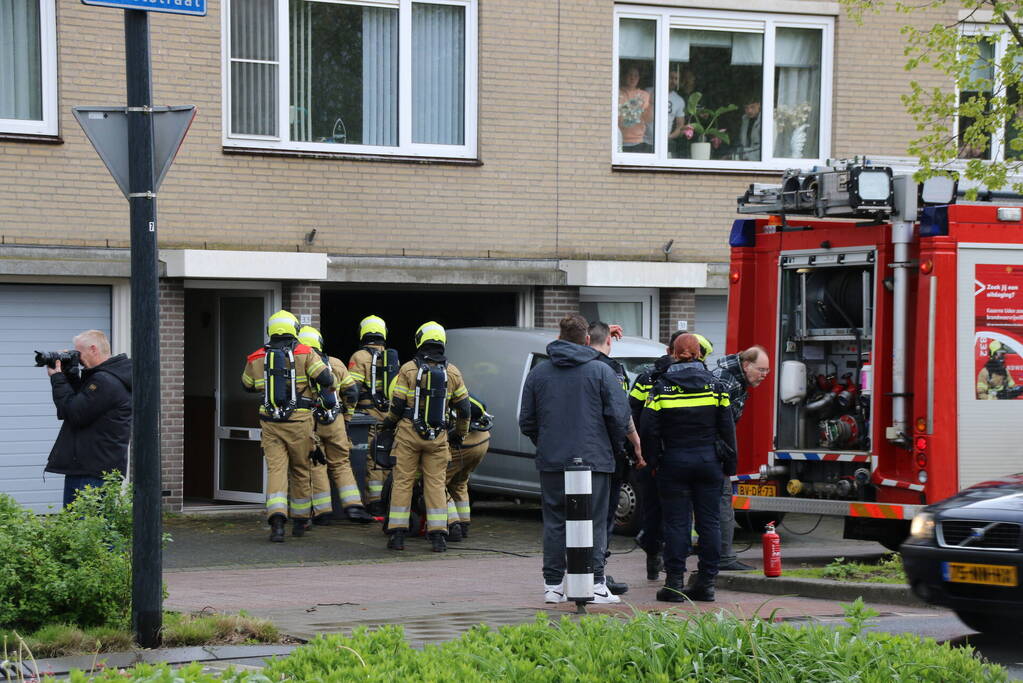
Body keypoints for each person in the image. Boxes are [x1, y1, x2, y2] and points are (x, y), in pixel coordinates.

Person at [519, 313, 631, 604]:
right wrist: (611, 447)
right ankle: (594, 583)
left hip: (553, 460)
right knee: (593, 522)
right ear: (586, 339)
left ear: (558, 338)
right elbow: (619, 417)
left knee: (555, 522)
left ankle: (553, 586)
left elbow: (527, 421)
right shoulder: (601, 372)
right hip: (595, 460)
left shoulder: (538, 374)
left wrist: (547, 443)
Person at [641, 333, 736, 603]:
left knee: (676, 524)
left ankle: (673, 584)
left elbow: (649, 430)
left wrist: (653, 462)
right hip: (709, 464)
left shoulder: (660, 388)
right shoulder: (717, 387)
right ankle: (706, 583)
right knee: (710, 523)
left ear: (674, 353)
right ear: (698, 354)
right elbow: (727, 430)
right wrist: (729, 464)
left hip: (674, 464)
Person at [242, 310, 336, 542]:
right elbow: (326, 379)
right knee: (300, 469)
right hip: (300, 421)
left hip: (270, 423)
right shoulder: (305, 352)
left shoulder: (255, 357)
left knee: (276, 471)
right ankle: (301, 521)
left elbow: (247, 385)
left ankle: (277, 521)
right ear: (294, 329)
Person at [381, 321, 471, 553]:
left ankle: (397, 536)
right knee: (435, 484)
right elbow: (465, 409)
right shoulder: (453, 372)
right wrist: (459, 434)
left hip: (409, 433)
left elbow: (398, 404)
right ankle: (438, 537)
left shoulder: (408, 369)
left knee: (403, 482)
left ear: (420, 340)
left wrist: (388, 425)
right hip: (438, 436)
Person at [44, 330, 132, 508]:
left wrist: (57, 378)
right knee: (96, 528)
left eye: (79, 353)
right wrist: (69, 375)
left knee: (80, 527)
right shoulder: (108, 375)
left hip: (90, 470)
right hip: (97, 466)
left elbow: (74, 413)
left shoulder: (105, 380)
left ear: (93, 349)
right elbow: (82, 403)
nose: (77, 358)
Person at [587, 320, 643, 597]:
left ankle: (576, 572)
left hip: (576, 454)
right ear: (609, 342)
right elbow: (621, 414)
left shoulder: (574, 365)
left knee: (575, 518)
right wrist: (635, 444)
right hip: (607, 454)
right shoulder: (612, 371)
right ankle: (597, 576)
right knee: (603, 517)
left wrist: (600, 328)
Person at [297, 325, 374, 524]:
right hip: (335, 420)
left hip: (310, 422)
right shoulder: (336, 363)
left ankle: (323, 513)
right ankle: (354, 507)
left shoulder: (298, 365)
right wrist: (346, 417)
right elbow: (352, 392)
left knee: (316, 464)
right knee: (341, 463)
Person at [628, 329, 686, 580]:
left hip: (651, 455)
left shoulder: (645, 378)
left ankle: (654, 553)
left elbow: (631, 414)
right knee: (678, 512)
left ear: (668, 350)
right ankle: (668, 561)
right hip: (678, 455)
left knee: (653, 509)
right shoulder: (697, 378)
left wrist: (638, 449)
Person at [712, 344, 770, 570]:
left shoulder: (733, 379)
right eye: (761, 370)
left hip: (709, 451)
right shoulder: (728, 382)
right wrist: (725, 454)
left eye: (767, 371)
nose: (764, 375)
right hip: (712, 453)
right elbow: (717, 422)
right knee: (723, 502)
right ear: (746, 365)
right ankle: (724, 558)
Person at [348, 315, 399, 516]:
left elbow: (352, 389)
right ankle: (390, 499)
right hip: (389, 415)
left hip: (369, 413)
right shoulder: (391, 356)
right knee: (387, 455)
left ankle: (375, 502)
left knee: (373, 457)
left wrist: (347, 411)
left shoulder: (359, 357)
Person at [444, 394, 492, 541]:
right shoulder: (459, 386)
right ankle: (464, 524)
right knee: (459, 483)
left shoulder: (439, 388)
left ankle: (453, 525)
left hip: (464, 443)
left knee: (436, 483)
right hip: (482, 439)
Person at [643, 69, 688, 154]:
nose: (673, 81)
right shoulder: (648, 92)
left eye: (676, 79)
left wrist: (670, 137)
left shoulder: (679, 100)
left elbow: (680, 125)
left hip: (664, 144)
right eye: (671, 78)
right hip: (643, 141)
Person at [618, 65, 653, 153]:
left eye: (636, 76)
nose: (633, 78)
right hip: (618, 139)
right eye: (630, 75)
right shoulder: (616, 92)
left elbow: (648, 119)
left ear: (639, 78)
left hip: (638, 142)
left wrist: (651, 105)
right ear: (624, 76)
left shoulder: (644, 95)